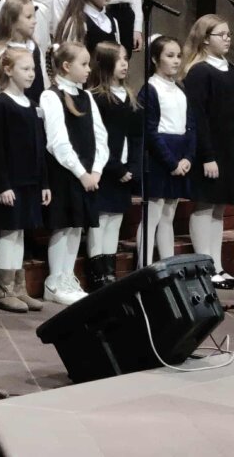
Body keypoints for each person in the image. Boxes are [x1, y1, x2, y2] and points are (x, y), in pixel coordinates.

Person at [182, 15, 234, 290]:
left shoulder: (231, 70)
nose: (227, 39)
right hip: (210, 150)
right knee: (206, 204)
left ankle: (217, 266)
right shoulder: (199, 72)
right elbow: (198, 117)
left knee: (220, 207)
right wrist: (207, 155)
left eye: (228, 34)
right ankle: (204, 267)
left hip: (232, 149)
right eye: (220, 34)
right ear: (204, 39)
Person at [40, 42, 108, 306]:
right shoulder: (51, 96)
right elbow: (57, 142)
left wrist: (97, 170)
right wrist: (81, 173)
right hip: (65, 173)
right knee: (64, 226)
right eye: (84, 64)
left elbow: (101, 136)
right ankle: (54, 281)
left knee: (77, 226)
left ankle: (68, 276)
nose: (89, 69)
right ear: (66, 66)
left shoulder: (87, 96)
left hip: (88, 175)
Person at [0, 48, 49, 312]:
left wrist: (44, 183)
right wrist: (3, 185)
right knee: (9, 232)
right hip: (10, 183)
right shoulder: (0, 104)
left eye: (33, 69)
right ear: (8, 70)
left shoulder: (32, 106)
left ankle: (18, 288)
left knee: (20, 232)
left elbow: (39, 146)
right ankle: (3, 290)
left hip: (29, 181)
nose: (31, 74)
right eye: (25, 69)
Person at [86, 42, 141, 291]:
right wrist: (115, 168)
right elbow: (96, 139)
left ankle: (109, 271)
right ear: (106, 63)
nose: (125, 64)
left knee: (115, 221)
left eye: (126, 59)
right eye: (119, 60)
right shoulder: (96, 97)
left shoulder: (129, 96)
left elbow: (136, 136)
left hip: (125, 171)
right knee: (99, 222)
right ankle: (97, 273)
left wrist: (133, 167)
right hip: (106, 171)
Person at [138, 35, 194, 266]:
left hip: (180, 154)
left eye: (178, 56)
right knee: (152, 214)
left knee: (168, 215)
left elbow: (190, 125)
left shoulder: (180, 88)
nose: (176, 61)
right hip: (160, 157)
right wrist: (171, 162)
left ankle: (168, 265)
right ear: (154, 59)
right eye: (170, 56)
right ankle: (144, 266)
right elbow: (150, 131)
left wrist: (188, 157)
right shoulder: (150, 89)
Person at [0, 0, 47, 105]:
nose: (34, 21)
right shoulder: (3, 51)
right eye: (29, 17)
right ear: (13, 21)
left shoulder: (34, 47)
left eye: (34, 17)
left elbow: (44, 79)